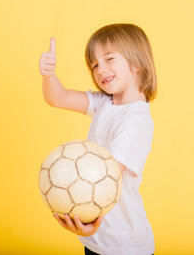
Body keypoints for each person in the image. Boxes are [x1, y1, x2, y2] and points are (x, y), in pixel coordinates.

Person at [39, 23, 157, 255]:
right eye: (94, 65)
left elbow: (107, 176)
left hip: (124, 244)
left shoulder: (136, 120)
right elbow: (58, 97)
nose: (100, 69)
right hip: (97, 238)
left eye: (109, 59)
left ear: (137, 63)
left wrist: (78, 206)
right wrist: (49, 75)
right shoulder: (106, 103)